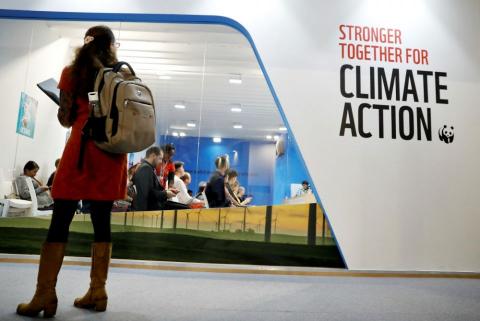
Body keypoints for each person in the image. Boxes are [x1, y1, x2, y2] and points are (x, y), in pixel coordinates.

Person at [17, 26, 127, 317]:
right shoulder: (122, 74)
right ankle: (97, 291)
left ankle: (44, 296)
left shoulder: (72, 72)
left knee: (61, 218)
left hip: (82, 152)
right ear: (112, 46)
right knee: (102, 222)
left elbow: (66, 119)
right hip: (112, 155)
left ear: (85, 44)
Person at [131, 146, 177, 211]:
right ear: (153, 156)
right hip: (143, 212)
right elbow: (147, 194)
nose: (161, 162)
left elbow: (150, 190)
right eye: (160, 158)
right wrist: (165, 194)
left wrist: (166, 192)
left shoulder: (148, 168)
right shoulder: (145, 169)